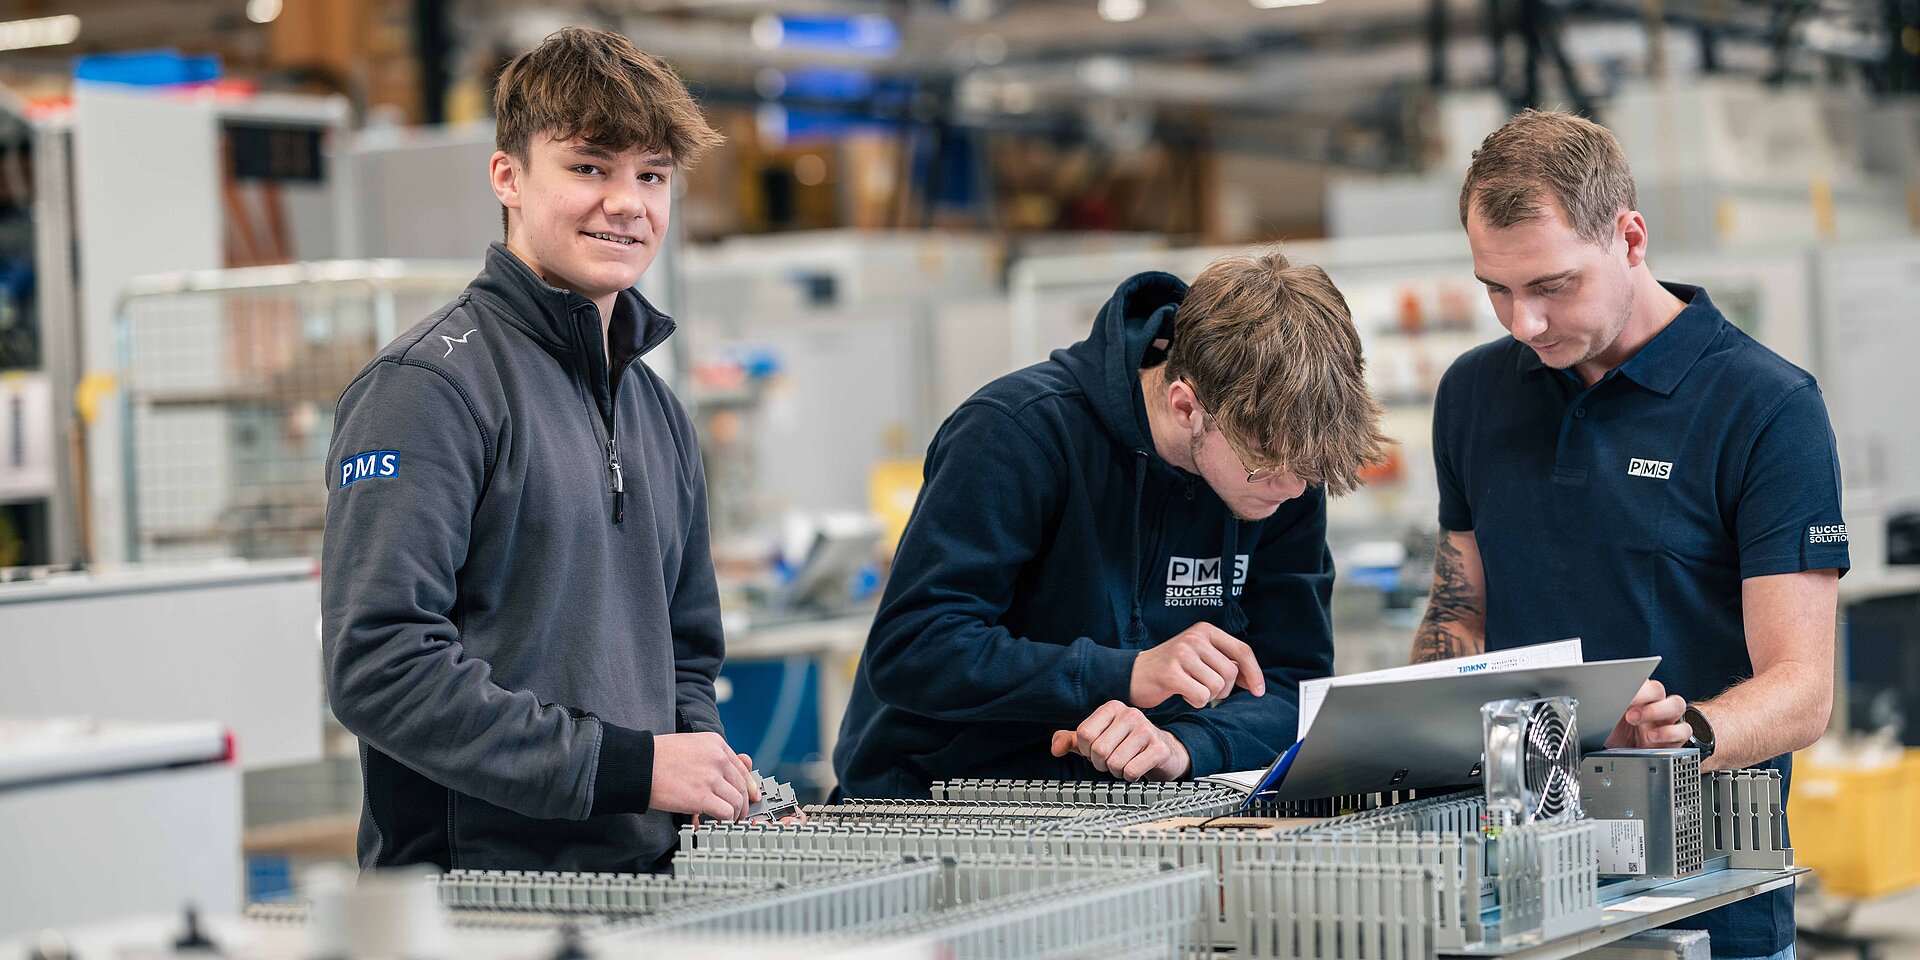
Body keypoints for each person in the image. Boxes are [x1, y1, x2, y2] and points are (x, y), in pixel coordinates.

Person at [322, 26, 758, 874]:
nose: (627, 203)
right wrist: (630, 767)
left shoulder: (656, 410)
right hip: (478, 895)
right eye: (591, 167)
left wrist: (710, 784)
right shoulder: (428, 389)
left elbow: (689, 651)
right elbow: (379, 665)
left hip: (643, 883)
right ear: (509, 177)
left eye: (652, 176)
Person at [1414, 109, 1846, 960]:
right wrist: (1418, 707)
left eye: (1551, 286)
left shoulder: (1767, 410)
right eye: (1496, 289)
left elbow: (1802, 688)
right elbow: (1458, 612)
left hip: (1708, 896)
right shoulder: (1472, 393)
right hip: (1518, 891)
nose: (1522, 325)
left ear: (1631, 238)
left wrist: (1690, 732)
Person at [833, 251, 1391, 799]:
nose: (1293, 490)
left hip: (1124, 806)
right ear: (1185, 406)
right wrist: (1124, 674)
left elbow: (1294, 685)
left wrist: (1184, 747)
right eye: (1267, 466)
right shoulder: (1016, 434)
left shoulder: (1284, 471)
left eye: (1309, 473)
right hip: (936, 802)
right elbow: (914, 650)